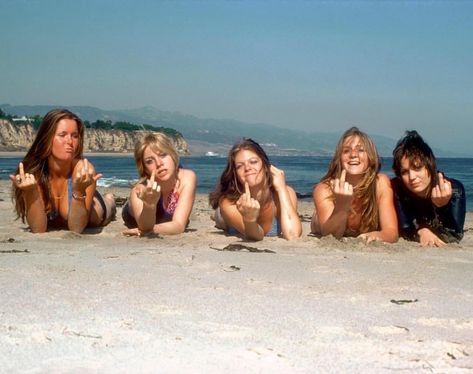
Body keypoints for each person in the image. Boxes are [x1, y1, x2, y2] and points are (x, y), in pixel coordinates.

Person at [10, 108, 116, 233]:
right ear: (47, 138)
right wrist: (30, 192)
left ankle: (110, 199)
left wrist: (79, 191)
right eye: (62, 135)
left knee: (106, 207)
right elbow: (38, 229)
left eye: (75, 136)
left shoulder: (83, 170)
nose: (70, 141)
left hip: (95, 210)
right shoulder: (34, 172)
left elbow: (76, 228)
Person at [311, 127, 398, 243]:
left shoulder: (380, 183)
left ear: (370, 156)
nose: (353, 155)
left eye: (361, 150)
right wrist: (342, 205)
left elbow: (391, 232)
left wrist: (378, 235)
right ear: (340, 158)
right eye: (346, 151)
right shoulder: (324, 189)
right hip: (323, 223)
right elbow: (331, 236)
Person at [209, 138, 301, 241]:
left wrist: (281, 188)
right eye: (239, 166)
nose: (247, 168)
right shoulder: (228, 202)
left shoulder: (286, 192)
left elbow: (293, 235)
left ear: (266, 165)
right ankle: (218, 216)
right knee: (221, 219)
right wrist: (250, 220)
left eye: (253, 162)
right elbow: (256, 236)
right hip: (229, 216)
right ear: (236, 174)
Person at [391, 130, 465, 246]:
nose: (412, 177)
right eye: (405, 172)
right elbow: (405, 228)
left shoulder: (454, 189)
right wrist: (421, 231)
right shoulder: (397, 189)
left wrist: (443, 207)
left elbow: (455, 235)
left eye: (417, 168)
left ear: (430, 166)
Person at [122, 133, 196, 236]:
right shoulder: (140, 191)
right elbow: (145, 226)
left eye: (163, 155)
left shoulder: (187, 177)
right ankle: (110, 201)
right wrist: (149, 205)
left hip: (160, 221)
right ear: (144, 169)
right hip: (132, 214)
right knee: (109, 206)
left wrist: (147, 230)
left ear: (173, 155)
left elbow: (179, 225)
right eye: (149, 161)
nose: (159, 163)